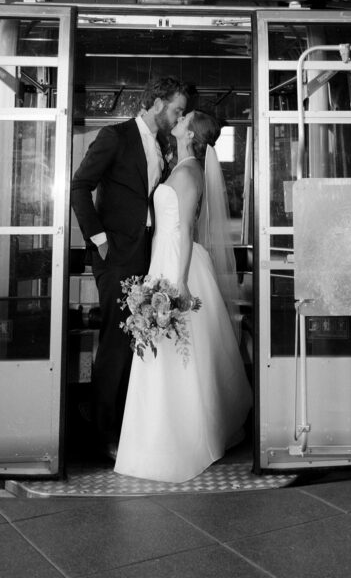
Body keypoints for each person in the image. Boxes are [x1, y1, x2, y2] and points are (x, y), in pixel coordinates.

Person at [115, 110, 252, 483]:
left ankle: (184, 436)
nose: (177, 117)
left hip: (177, 263)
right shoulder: (181, 166)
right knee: (166, 349)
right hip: (163, 258)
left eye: (183, 117)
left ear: (189, 132)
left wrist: (179, 282)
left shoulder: (190, 172)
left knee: (178, 349)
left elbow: (187, 228)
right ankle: (156, 431)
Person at [70, 76, 189, 459]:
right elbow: (78, 187)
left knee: (137, 344)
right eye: (176, 109)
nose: (178, 116)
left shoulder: (163, 144)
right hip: (116, 256)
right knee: (115, 345)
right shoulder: (114, 137)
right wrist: (100, 241)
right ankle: (102, 436)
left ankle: (128, 426)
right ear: (156, 102)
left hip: (147, 258)